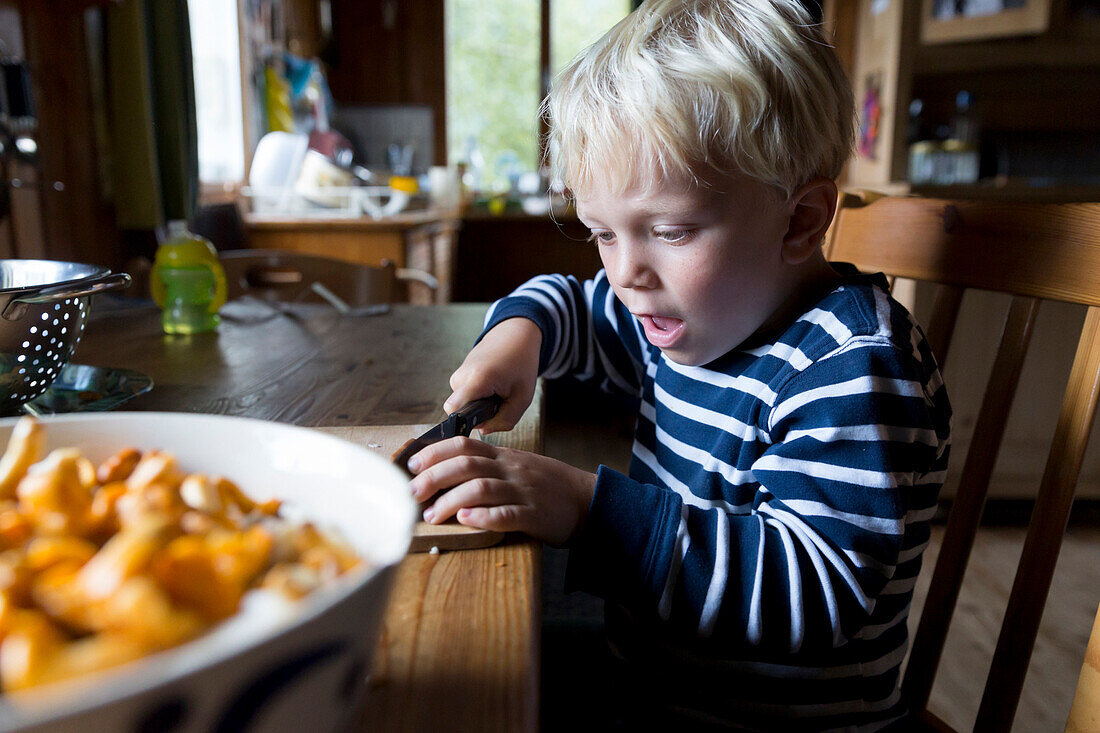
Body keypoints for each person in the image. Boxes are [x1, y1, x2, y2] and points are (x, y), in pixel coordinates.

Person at [406, 0, 951, 729]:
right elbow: (572, 302)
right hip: (653, 688)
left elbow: (812, 595)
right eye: (602, 232)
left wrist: (586, 509)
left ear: (800, 220)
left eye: (667, 230)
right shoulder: (694, 307)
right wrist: (519, 336)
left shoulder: (855, 368)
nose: (627, 272)